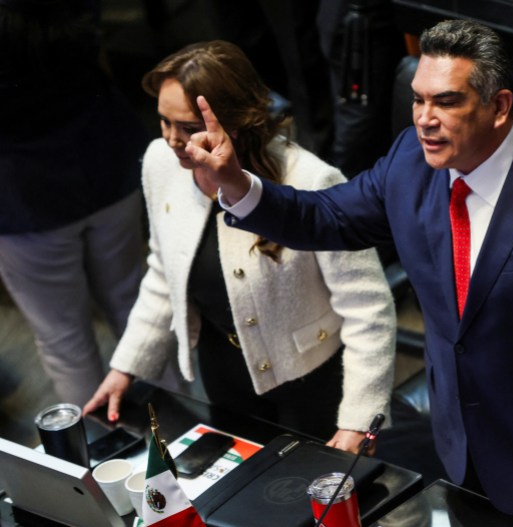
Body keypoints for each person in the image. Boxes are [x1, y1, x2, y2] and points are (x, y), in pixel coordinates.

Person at [184, 19, 513, 526]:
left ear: (500, 107)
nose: (424, 119)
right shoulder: (409, 163)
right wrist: (237, 183)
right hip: (464, 448)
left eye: (446, 102)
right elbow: (326, 217)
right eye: (418, 100)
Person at [82, 40, 396, 453]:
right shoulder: (161, 162)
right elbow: (164, 270)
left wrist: (358, 418)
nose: (173, 140)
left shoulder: (310, 179)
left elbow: (369, 308)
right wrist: (126, 366)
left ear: (235, 122)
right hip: (224, 375)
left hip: (314, 383)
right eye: (164, 122)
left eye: (190, 128)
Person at [0, 0, 148, 407]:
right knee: (136, 307)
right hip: (103, 159)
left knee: (63, 337)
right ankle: (177, 428)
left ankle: (97, 456)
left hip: (23, 196)